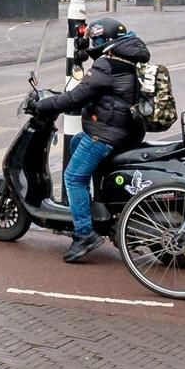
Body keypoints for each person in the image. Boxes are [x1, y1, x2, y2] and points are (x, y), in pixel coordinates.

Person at [48, 27, 152, 264]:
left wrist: (46, 105)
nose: (93, 44)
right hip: (126, 131)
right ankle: (96, 208)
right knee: (77, 142)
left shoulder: (107, 64)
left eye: (95, 40)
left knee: (73, 177)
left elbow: (76, 96)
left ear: (105, 40)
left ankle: (84, 234)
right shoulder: (129, 58)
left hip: (106, 134)